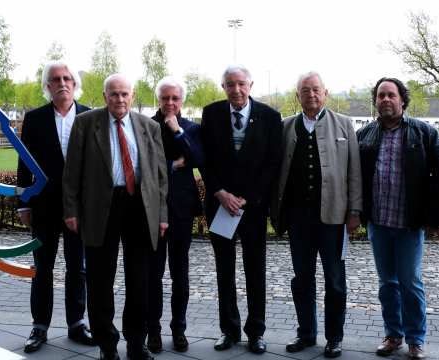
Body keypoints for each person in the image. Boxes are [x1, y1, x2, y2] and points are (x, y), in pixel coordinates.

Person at [62, 74, 168, 360]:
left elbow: (160, 176)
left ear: (132, 95)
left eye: (124, 94)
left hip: (139, 208)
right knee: (99, 280)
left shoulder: (149, 127)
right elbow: (71, 173)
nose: (119, 99)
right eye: (113, 94)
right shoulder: (86, 124)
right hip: (99, 208)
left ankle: (136, 342)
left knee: (139, 280)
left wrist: (162, 215)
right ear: (104, 95)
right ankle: (107, 345)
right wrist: (71, 210)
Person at [270, 71, 362, 358]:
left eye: (316, 90)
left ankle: (334, 337)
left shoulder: (344, 124)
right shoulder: (285, 127)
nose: (311, 95)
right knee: (302, 279)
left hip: (333, 218)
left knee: (335, 281)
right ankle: (306, 333)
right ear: (297, 95)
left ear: (326, 93)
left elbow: (354, 173)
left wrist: (355, 210)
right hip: (298, 218)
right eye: (305, 90)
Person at [357, 77, 439, 359]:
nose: (385, 100)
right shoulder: (366, 134)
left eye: (391, 95)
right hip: (378, 223)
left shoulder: (424, 133)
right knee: (387, 284)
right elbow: (356, 176)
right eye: (381, 95)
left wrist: (434, 217)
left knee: (410, 283)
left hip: (409, 224)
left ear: (402, 100)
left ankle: (416, 340)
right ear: (376, 101)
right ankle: (393, 335)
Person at [200, 64, 282, 354]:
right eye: (229, 84)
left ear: (251, 85)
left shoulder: (270, 117)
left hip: (252, 208)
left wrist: (246, 198)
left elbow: (273, 163)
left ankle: (256, 332)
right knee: (224, 271)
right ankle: (229, 330)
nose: (235, 89)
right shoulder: (211, 114)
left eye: (241, 84)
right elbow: (204, 159)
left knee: (254, 270)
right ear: (223, 87)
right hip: (220, 205)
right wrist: (220, 193)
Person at [17, 60, 95, 353]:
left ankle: (77, 323)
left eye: (67, 78)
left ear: (75, 84)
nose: (62, 83)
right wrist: (23, 204)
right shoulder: (35, 119)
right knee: (42, 268)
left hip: (80, 209)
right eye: (55, 79)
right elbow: (24, 163)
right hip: (44, 207)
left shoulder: (90, 116)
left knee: (79, 267)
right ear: (47, 86)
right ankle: (40, 326)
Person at [146, 76, 204, 353]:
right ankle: (153, 331)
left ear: (182, 100)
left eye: (175, 98)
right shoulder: (146, 127)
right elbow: (145, 163)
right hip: (151, 210)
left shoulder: (192, 127)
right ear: (158, 99)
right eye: (165, 98)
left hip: (181, 210)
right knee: (153, 275)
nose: (169, 103)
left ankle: (178, 329)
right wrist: (174, 163)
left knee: (180, 275)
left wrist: (178, 131)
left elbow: (199, 159)